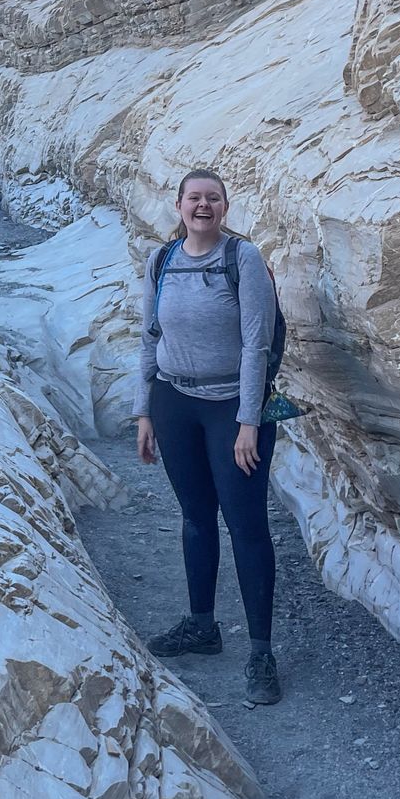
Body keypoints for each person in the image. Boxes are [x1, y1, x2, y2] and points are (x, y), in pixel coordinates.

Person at [134, 168, 282, 706]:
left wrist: (248, 423)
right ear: (178, 206)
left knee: (246, 526)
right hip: (175, 402)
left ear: (225, 206)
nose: (203, 206)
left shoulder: (242, 259)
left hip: (231, 410)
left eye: (212, 199)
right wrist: (145, 412)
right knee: (196, 518)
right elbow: (150, 336)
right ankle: (203, 626)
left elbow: (255, 346)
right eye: (194, 198)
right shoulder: (162, 260)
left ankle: (262, 653)